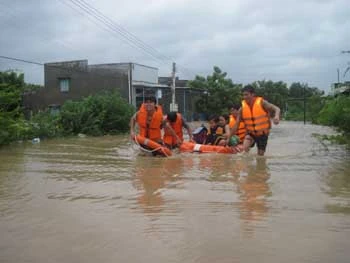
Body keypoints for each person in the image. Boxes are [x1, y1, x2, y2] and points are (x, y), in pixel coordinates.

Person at [227, 85, 280, 156]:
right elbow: (236, 125)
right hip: (250, 133)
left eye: (246, 95)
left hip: (262, 134)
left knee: (260, 157)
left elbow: (277, 108)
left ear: (253, 94)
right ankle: (245, 166)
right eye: (243, 95)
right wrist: (229, 138)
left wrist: (276, 116)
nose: (244, 97)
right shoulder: (242, 109)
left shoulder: (262, 103)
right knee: (243, 153)